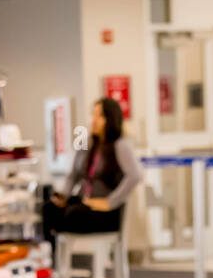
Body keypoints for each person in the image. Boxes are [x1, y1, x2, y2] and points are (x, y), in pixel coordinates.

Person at [43, 97, 143, 256]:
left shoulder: (120, 145)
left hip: (104, 211)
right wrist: (64, 195)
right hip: (85, 201)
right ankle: (52, 258)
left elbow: (135, 176)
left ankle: (57, 257)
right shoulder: (85, 142)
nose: (93, 120)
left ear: (110, 119)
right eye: (93, 115)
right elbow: (74, 174)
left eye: (99, 116)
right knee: (49, 208)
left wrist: (111, 202)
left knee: (72, 214)